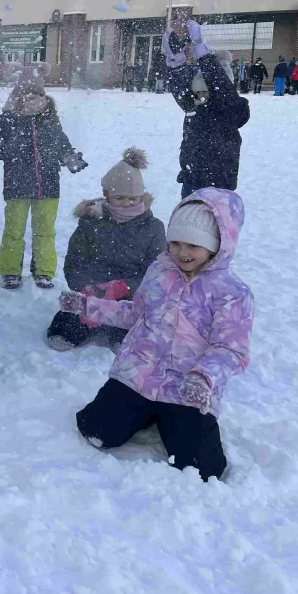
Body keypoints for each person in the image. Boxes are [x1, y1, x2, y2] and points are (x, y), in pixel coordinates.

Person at [63, 189, 253, 482]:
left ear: (216, 245)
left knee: (202, 469)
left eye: (193, 245)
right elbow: (136, 313)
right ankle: (144, 413)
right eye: (175, 243)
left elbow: (231, 349)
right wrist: (90, 307)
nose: (182, 253)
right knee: (95, 431)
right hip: (138, 375)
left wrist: (203, 377)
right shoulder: (160, 270)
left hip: (186, 388)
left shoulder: (232, 294)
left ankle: (167, 418)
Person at [46, 148, 167, 352]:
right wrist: (88, 289)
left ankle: (122, 333)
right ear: (106, 195)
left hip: (130, 298)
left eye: (133, 198)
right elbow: (74, 262)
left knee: (135, 330)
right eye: (119, 197)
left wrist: (124, 288)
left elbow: (156, 272)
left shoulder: (153, 227)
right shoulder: (91, 222)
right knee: (64, 330)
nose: (127, 203)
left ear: (142, 197)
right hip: (92, 292)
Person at [0, 69, 87, 290]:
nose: (34, 101)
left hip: (48, 185)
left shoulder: (50, 121)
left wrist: (70, 157)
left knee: (45, 231)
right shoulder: (7, 119)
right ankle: (11, 271)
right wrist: (10, 146)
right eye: (28, 96)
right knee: (14, 230)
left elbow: (62, 144)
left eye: (38, 96)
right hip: (17, 185)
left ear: (45, 98)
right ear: (18, 97)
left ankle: (43, 271)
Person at [165, 26, 250, 197]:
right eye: (198, 92)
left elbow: (223, 89)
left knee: (213, 223)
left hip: (218, 183)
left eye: (205, 91)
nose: (201, 96)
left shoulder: (230, 108)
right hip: (192, 178)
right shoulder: (195, 106)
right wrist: (176, 65)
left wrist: (204, 56)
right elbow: (182, 91)